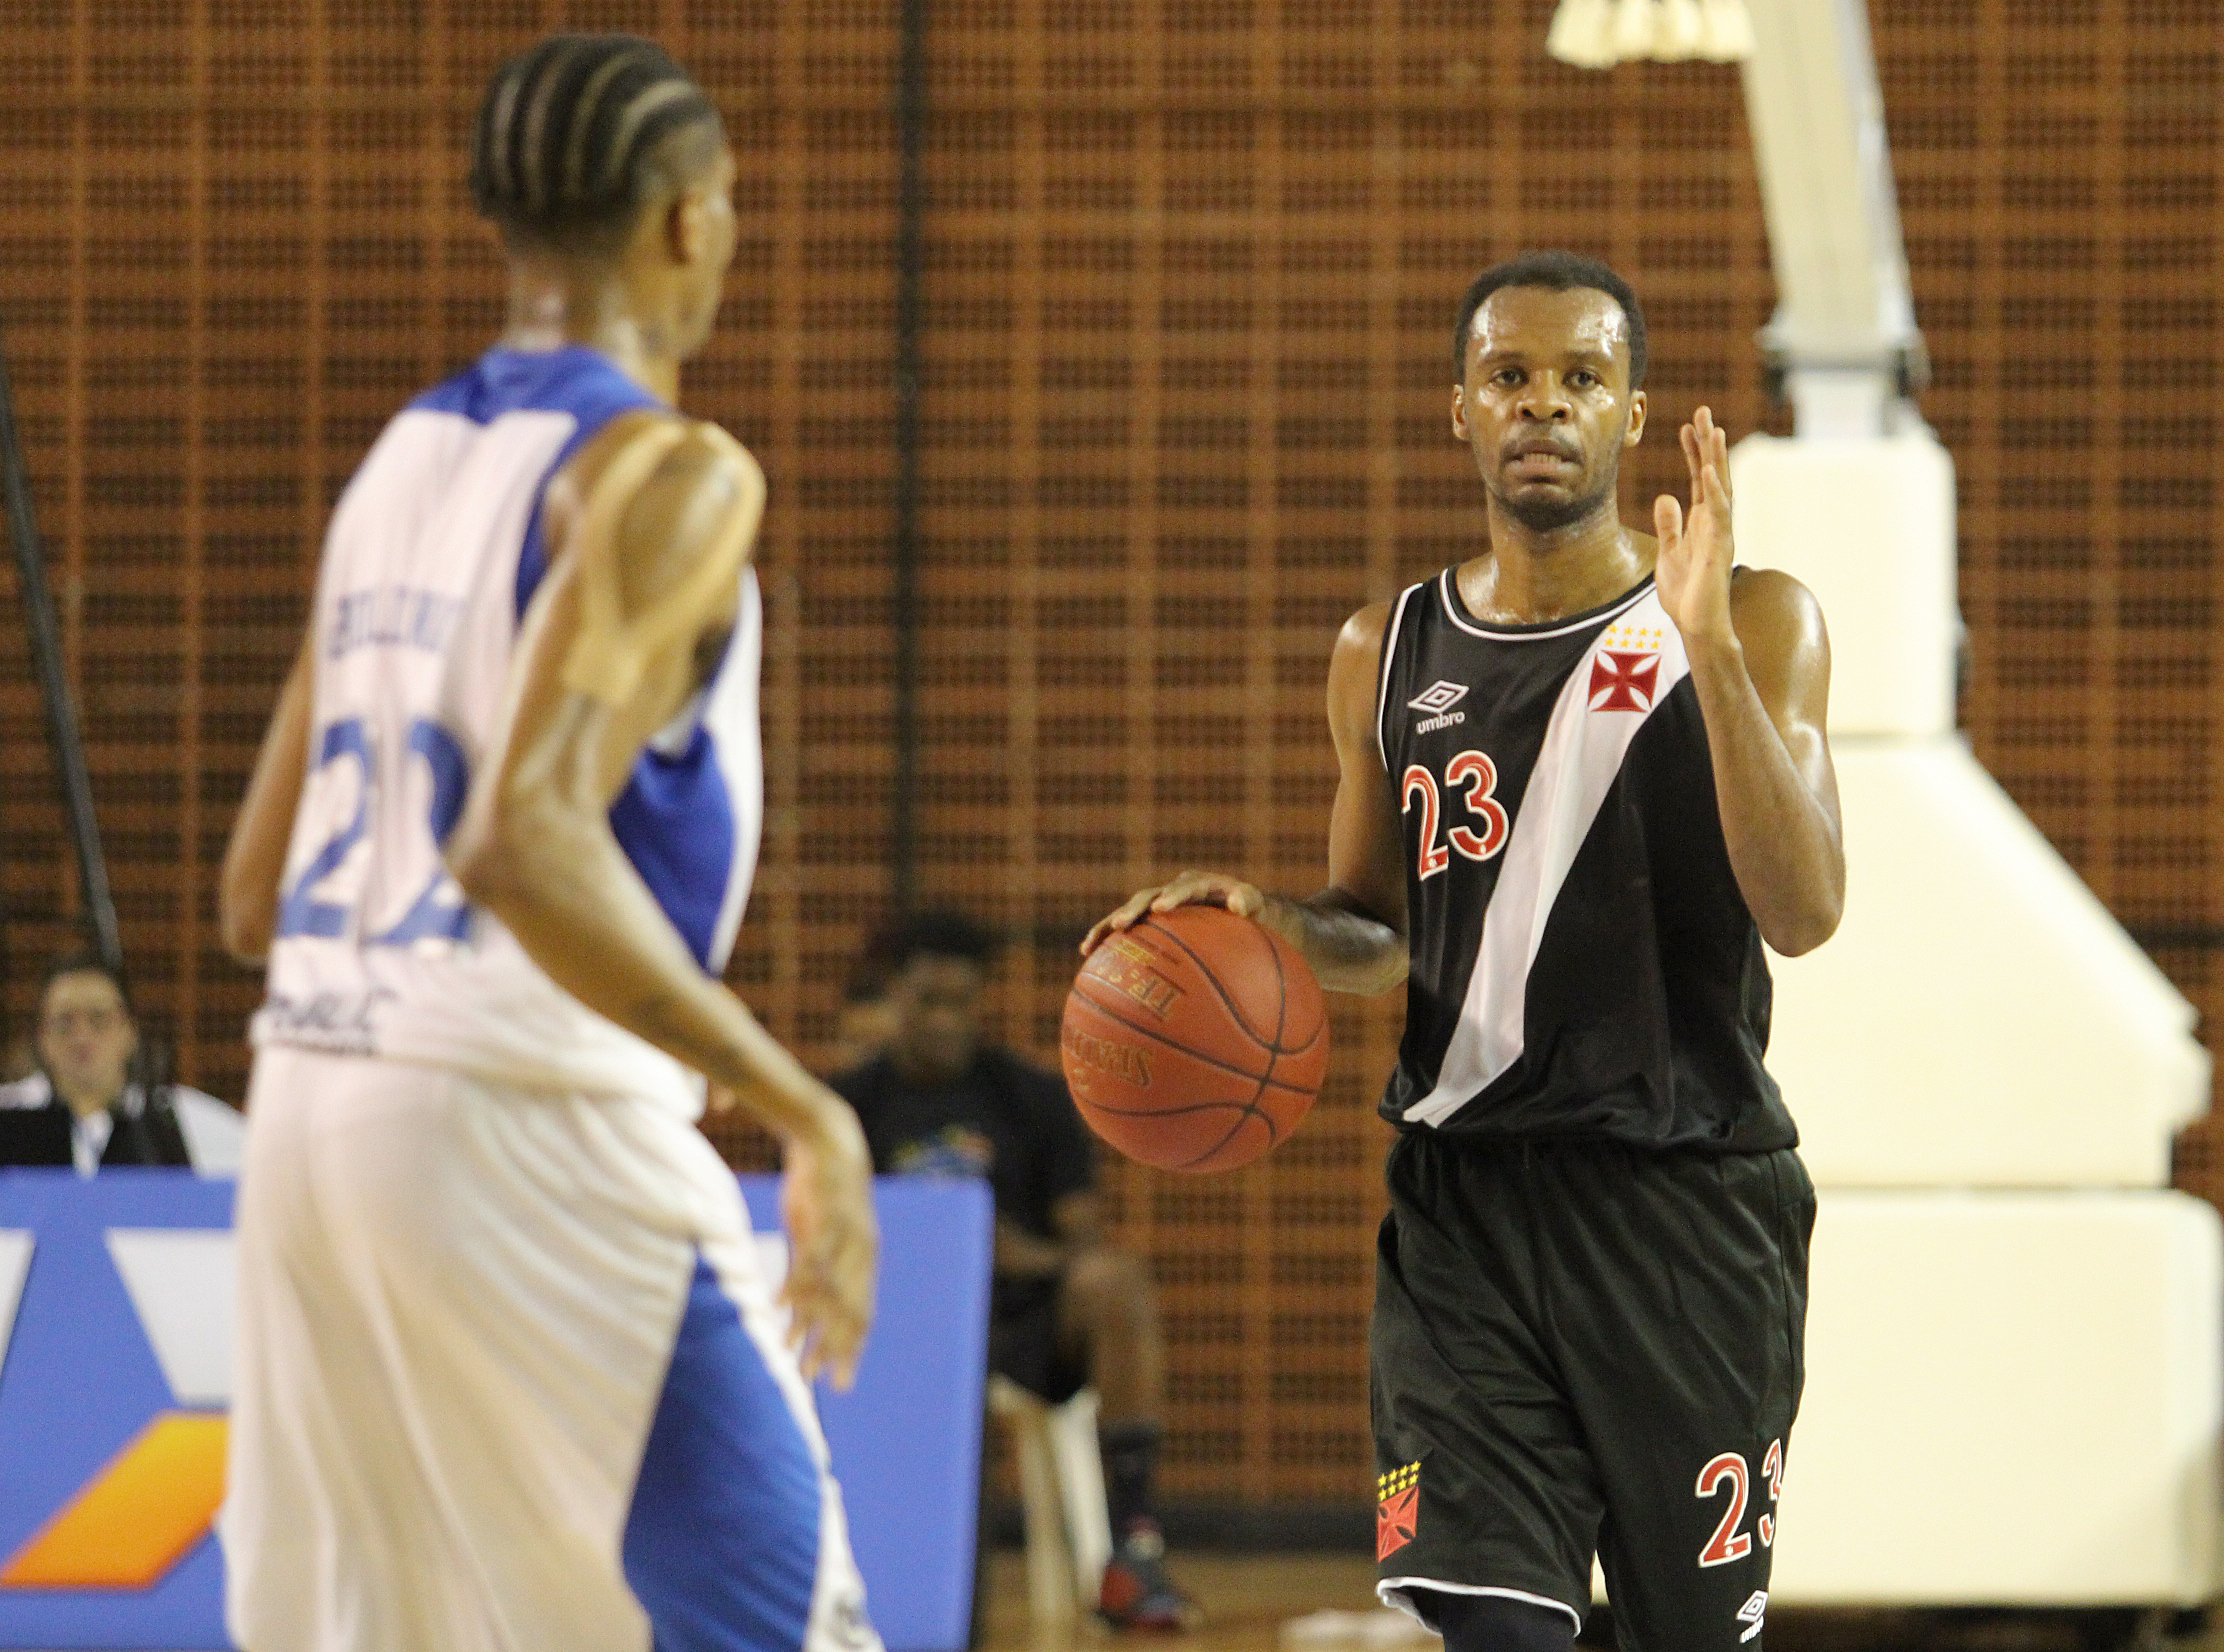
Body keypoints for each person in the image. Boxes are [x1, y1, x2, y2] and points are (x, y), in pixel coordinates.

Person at [216, 34, 879, 1652]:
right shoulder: (668, 471)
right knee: (784, 1623)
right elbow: (521, 839)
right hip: (525, 1114)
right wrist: (802, 1105)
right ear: (686, 220)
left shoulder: (398, 464)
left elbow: (250, 894)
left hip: (307, 1108)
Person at [1087, 250, 1842, 1652]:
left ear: (1631, 415)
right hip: (1465, 1210)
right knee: (1493, 1625)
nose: (1543, 404)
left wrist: (1710, 658)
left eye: (1580, 379)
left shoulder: (1756, 617)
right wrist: (1270, 926)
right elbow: (1376, 927)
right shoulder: (1385, 647)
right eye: (1510, 376)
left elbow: (1802, 911)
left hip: (1684, 1209)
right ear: (1461, 410)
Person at [830, 911, 1198, 1631]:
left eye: (960, 1002)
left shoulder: (1029, 1096)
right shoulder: (845, 1106)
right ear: (891, 996)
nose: (944, 1019)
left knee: (1115, 1284)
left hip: (1014, 1319)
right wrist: (933, 1244)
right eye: (926, 1001)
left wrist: (997, 1248)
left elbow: (1082, 1238)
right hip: (892, 1327)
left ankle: (1133, 1542)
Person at [0, 954, 246, 1175]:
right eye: (64, 1022)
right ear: (42, 1036)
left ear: (130, 1032)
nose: (82, 1037)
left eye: (98, 1019)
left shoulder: (181, 1118)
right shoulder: (9, 1113)